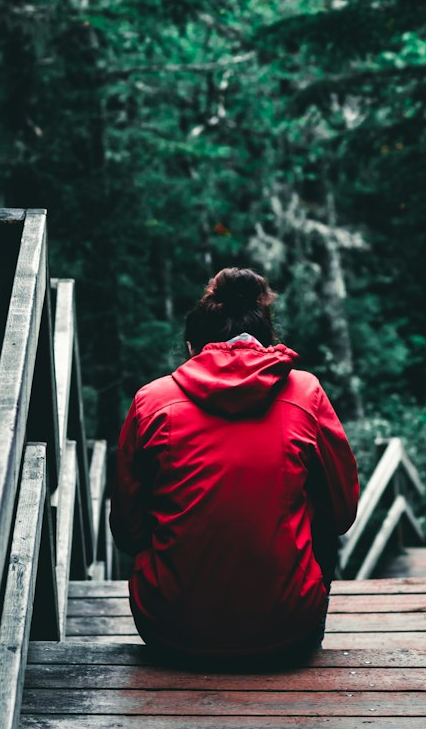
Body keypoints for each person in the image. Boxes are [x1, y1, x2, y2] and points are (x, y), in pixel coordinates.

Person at [110, 266, 359, 661]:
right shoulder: (306, 392)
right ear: (267, 343)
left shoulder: (151, 401)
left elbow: (127, 528)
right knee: (318, 499)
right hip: (287, 631)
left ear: (193, 348)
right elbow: (342, 511)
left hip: (170, 630)